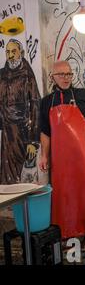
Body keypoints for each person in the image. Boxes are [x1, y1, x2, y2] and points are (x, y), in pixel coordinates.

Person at [39, 60, 85, 239]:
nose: (66, 78)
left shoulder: (84, 95)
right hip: (62, 160)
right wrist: (44, 156)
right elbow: (45, 132)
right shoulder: (46, 102)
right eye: (62, 74)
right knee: (66, 196)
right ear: (53, 77)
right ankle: (68, 231)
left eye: (69, 74)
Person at [0, 39, 41, 184]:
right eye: (7, 52)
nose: (10, 55)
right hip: (5, 136)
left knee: (24, 181)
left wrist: (33, 141)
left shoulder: (27, 75)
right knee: (7, 180)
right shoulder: (1, 75)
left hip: (23, 134)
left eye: (14, 51)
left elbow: (35, 106)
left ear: (21, 53)